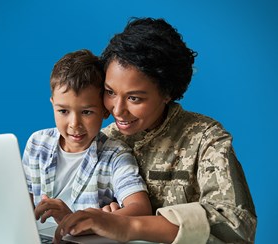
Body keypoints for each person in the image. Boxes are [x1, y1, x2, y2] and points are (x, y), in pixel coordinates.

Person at [54, 18, 257, 244]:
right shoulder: (104, 140)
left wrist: (131, 225)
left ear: (167, 93)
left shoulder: (205, 139)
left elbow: (236, 225)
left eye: (134, 98)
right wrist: (88, 216)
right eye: (110, 92)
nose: (117, 110)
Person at [21, 49, 151, 225]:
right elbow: (22, 204)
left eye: (87, 112)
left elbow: (141, 208)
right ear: (52, 104)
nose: (74, 123)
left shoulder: (115, 155)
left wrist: (87, 220)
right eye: (63, 111)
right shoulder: (37, 144)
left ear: (105, 110)